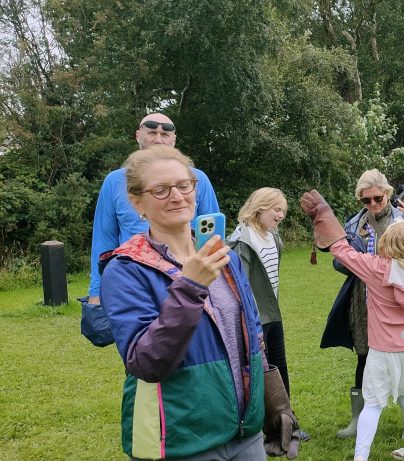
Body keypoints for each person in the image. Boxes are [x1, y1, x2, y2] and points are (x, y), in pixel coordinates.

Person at [99, 146, 299, 460]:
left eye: (183, 185)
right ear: (138, 203)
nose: (177, 196)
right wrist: (189, 286)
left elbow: (253, 335)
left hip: (244, 432)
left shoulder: (225, 257)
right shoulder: (126, 270)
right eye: (161, 190)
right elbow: (146, 363)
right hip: (181, 439)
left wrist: (274, 403)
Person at [301, 190, 404, 461]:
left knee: (374, 404)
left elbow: (341, 251)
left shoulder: (376, 269)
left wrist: (324, 217)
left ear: (385, 244)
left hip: (383, 350)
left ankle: (360, 457)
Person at [86, 113, 219, 310]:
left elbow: (212, 235)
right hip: (136, 279)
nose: (158, 139)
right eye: (151, 132)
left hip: (189, 274)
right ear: (138, 135)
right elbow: (104, 241)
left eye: (165, 134)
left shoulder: (196, 178)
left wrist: (217, 279)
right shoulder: (115, 182)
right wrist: (96, 292)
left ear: (174, 140)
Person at [226, 188, 310, 444]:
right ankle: (257, 426)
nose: (281, 215)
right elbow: (240, 287)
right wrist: (252, 325)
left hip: (273, 314)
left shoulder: (273, 237)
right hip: (253, 320)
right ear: (260, 207)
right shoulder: (242, 240)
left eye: (283, 211)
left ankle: (286, 420)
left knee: (279, 367)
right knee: (257, 372)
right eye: (276, 210)